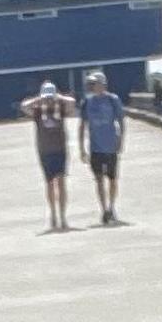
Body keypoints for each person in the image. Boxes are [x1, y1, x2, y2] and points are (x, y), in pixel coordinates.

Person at [23, 79, 73, 230]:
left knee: (61, 183)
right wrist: (40, 99)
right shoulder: (39, 111)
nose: (49, 100)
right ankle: (53, 214)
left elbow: (72, 103)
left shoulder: (60, 109)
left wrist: (59, 97)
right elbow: (24, 107)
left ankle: (63, 216)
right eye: (47, 97)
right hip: (45, 151)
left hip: (60, 150)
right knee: (50, 184)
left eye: (51, 97)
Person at [79, 69, 126, 225]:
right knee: (99, 179)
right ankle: (104, 209)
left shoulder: (113, 100)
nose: (93, 86)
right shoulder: (87, 102)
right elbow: (82, 125)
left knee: (112, 179)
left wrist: (121, 141)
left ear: (102, 84)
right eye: (91, 84)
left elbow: (121, 121)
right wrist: (81, 148)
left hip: (111, 145)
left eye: (95, 83)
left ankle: (112, 206)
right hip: (95, 147)